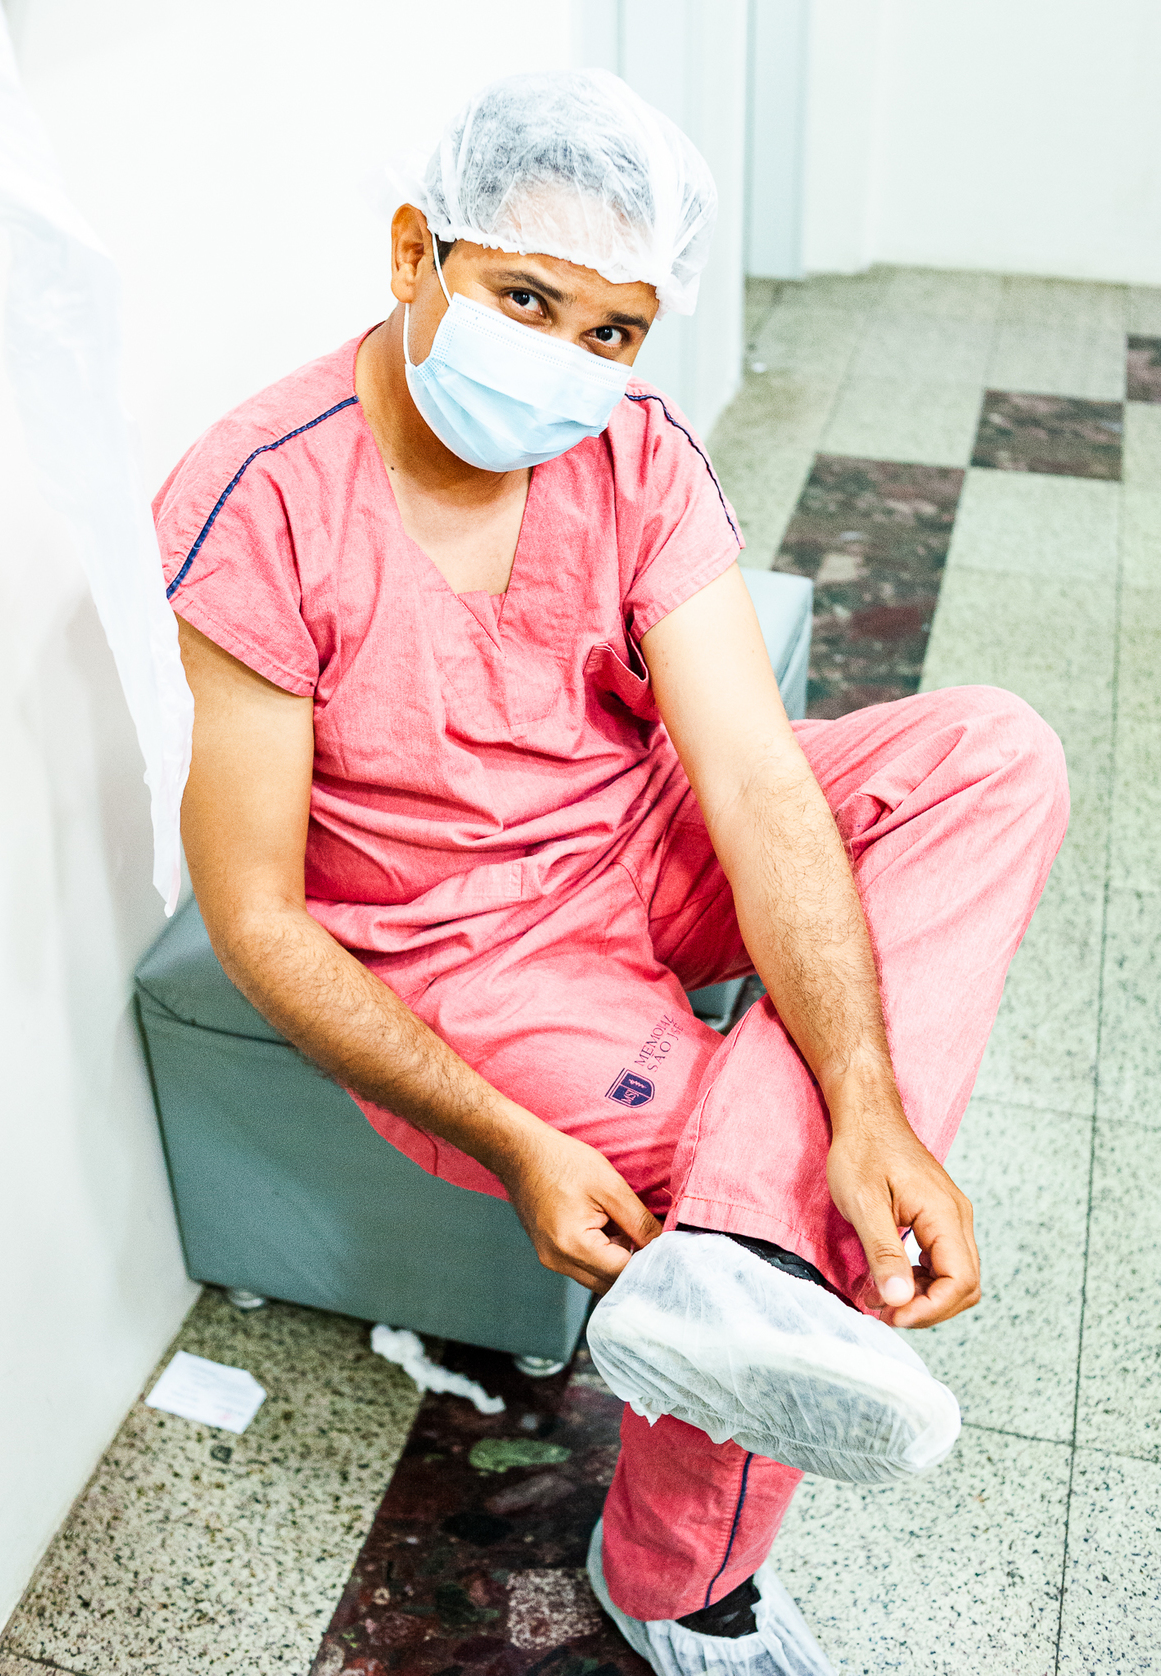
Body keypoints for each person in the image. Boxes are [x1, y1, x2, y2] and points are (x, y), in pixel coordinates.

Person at [158, 69, 1068, 1676]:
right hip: (467, 949)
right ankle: (676, 1576)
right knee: (789, 1213)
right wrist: (513, 1143)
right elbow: (256, 918)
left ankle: (754, 1251)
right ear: (415, 253)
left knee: (991, 751)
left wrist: (869, 1103)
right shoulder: (266, 499)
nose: (567, 361)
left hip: (646, 836)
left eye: (615, 329)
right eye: (526, 298)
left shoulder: (633, 453)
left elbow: (757, 784)